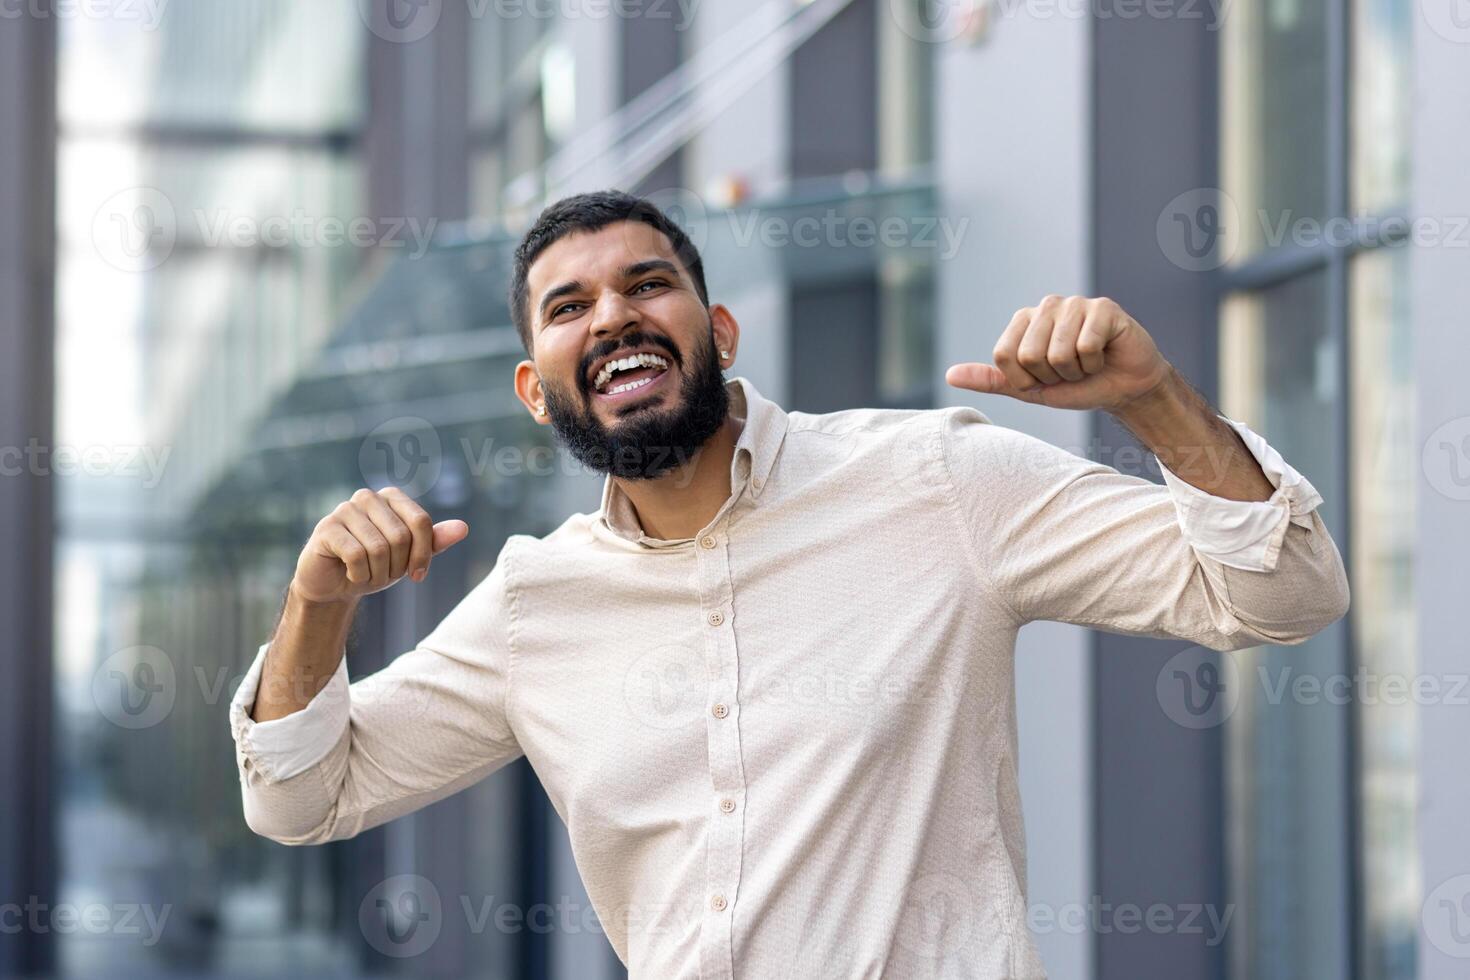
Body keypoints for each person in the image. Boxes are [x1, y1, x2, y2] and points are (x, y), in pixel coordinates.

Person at [229, 190, 1349, 978]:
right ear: (538, 388)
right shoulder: (535, 604)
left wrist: (1154, 403)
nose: (611, 314)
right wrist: (317, 604)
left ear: (714, 330)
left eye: (647, 284)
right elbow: (300, 794)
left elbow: (1284, 591)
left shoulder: (934, 477)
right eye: (568, 306)